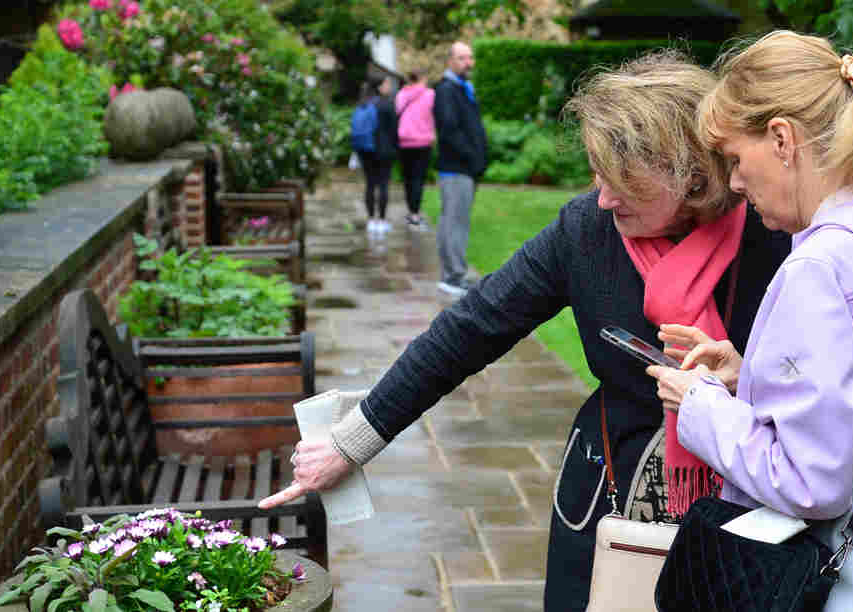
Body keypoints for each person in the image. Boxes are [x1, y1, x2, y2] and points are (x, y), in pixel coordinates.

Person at [261, 51, 793, 611]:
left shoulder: (772, 235)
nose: (605, 197)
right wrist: (351, 443)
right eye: (598, 174)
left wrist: (746, 379)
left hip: (741, 514)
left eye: (624, 182)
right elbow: (469, 329)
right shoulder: (587, 228)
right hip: (605, 503)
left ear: (690, 175)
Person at [645, 31, 853, 612]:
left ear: (782, 139)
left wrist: (700, 404)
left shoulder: (820, 268)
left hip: (844, 587)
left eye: (736, 160)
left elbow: (808, 481)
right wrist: (751, 376)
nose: (736, 183)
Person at [432, 41, 487, 296]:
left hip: (462, 169)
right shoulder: (447, 91)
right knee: (455, 223)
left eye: (470, 58)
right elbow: (449, 131)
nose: (469, 63)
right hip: (456, 169)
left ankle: (451, 274)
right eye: (463, 58)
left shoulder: (462, 88)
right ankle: (453, 277)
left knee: (452, 221)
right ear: (450, 61)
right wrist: (472, 157)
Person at [352, 77, 399, 235]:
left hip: (366, 150)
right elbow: (394, 129)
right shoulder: (387, 105)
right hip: (384, 150)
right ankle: (383, 220)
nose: (390, 86)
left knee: (370, 184)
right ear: (379, 87)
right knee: (384, 185)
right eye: (387, 84)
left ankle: (371, 220)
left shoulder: (363, 104)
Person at [395, 70, 436, 231]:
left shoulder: (401, 95)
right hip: (423, 141)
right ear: (422, 78)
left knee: (408, 178)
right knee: (418, 178)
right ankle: (415, 214)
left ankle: (410, 210)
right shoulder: (430, 95)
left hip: (404, 142)